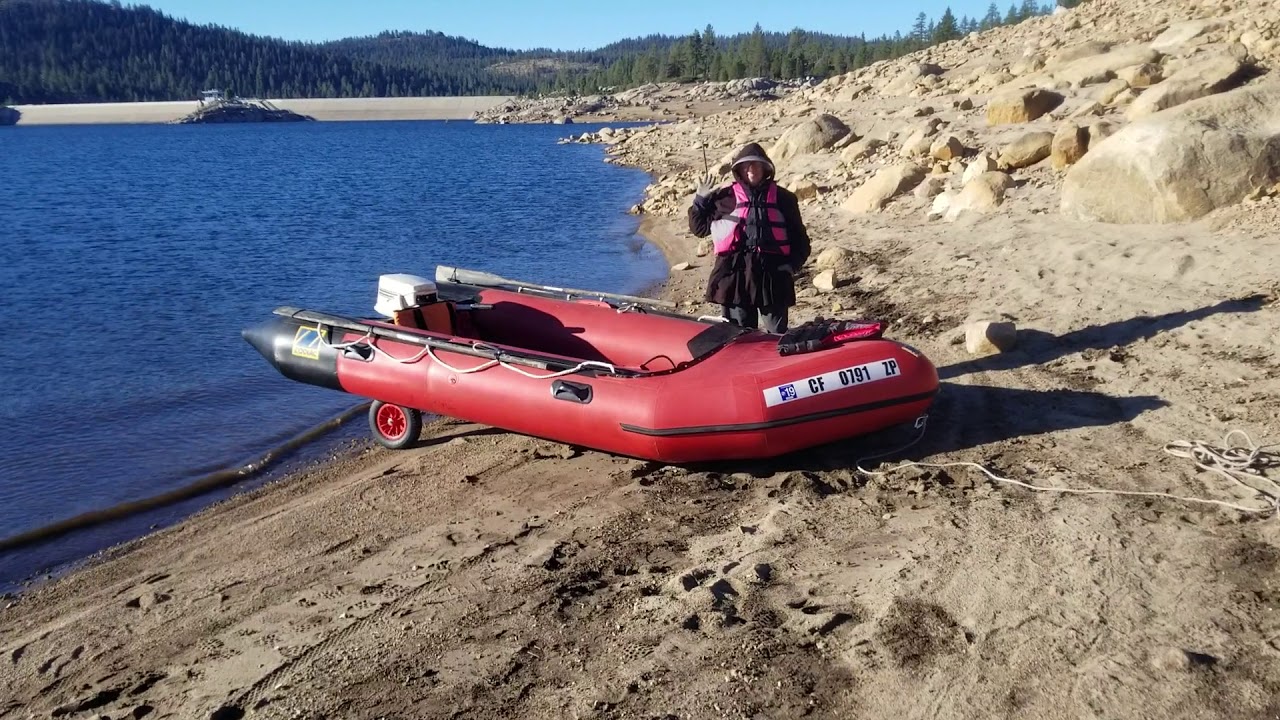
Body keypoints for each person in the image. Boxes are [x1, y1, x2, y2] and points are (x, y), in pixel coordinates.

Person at [687, 142, 811, 334]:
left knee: (777, 335)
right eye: (746, 165)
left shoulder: (784, 199)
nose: (751, 169)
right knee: (738, 337)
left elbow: (801, 240)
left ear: (765, 168)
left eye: (756, 164)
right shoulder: (723, 198)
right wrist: (700, 201)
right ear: (738, 170)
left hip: (773, 276)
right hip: (735, 277)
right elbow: (699, 228)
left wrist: (792, 265)